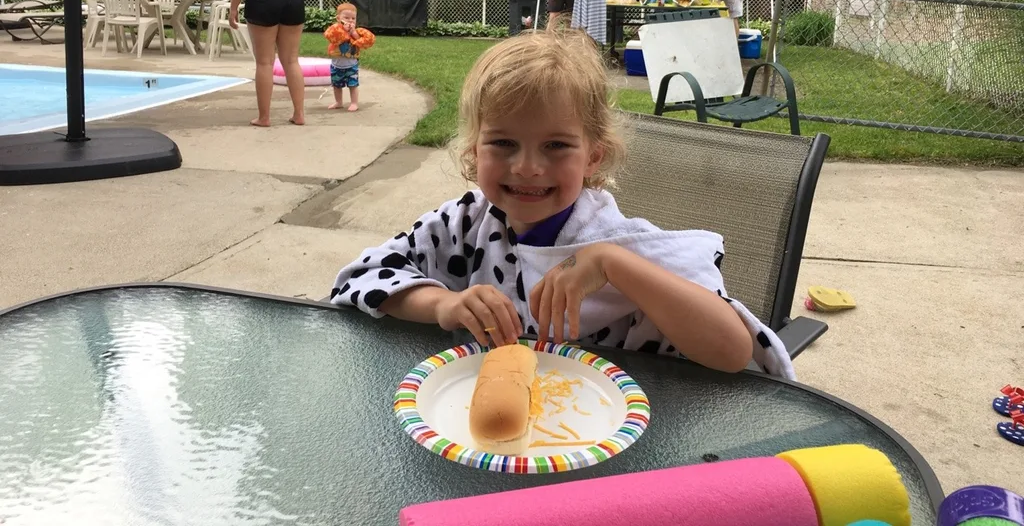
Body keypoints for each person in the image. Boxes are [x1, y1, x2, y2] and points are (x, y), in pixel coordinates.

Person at [327, 30, 794, 379]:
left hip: (615, 429)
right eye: (503, 143)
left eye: (556, 146)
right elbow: (359, 278)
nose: (528, 167)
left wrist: (613, 264)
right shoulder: (465, 222)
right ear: (473, 152)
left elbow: (733, 350)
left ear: (594, 156)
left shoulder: (622, 243)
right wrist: (442, 305)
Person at [324, 3, 375, 112]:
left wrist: (354, 33)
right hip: (336, 65)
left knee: (353, 85)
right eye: (346, 18)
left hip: (351, 65)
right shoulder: (335, 29)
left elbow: (367, 41)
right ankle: (338, 102)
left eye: (353, 18)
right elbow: (329, 35)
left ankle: (354, 103)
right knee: (336, 85)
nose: (350, 21)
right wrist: (343, 30)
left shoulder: (358, 32)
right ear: (338, 18)